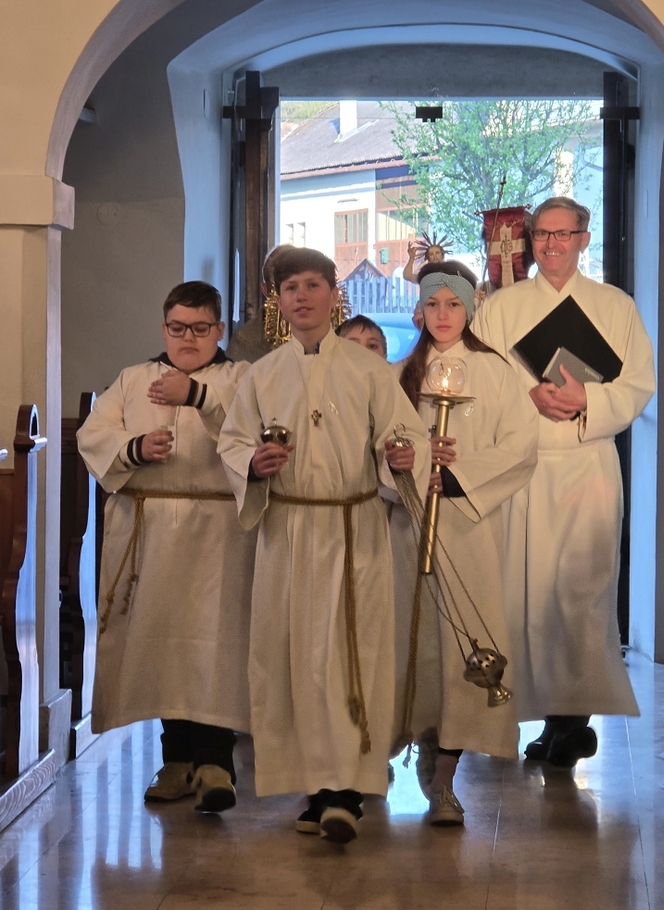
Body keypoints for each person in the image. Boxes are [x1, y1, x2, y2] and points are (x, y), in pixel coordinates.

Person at [217, 248, 431, 844]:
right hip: (288, 532)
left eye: (314, 285)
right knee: (295, 659)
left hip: (352, 529)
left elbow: (406, 435)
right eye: (291, 288)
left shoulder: (368, 371)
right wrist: (254, 463)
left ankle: (346, 789)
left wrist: (400, 458)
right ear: (277, 300)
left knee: (350, 655)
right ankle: (314, 786)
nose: (303, 297)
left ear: (335, 294)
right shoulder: (262, 374)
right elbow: (233, 442)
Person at [473, 196, 656, 767]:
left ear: (583, 239)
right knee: (525, 599)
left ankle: (572, 723)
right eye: (542, 235)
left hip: (585, 466)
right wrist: (526, 396)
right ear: (531, 241)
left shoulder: (615, 306)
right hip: (522, 467)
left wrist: (588, 399)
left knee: (580, 597)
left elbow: (639, 384)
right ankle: (537, 714)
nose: (551, 244)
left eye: (562, 234)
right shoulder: (502, 308)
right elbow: (478, 378)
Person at [77, 281, 254, 813]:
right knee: (161, 643)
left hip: (219, 532)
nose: (187, 339)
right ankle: (175, 760)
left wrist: (196, 397)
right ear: (164, 328)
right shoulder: (134, 379)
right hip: (150, 527)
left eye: (200, 328)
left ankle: (216, 763)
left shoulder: (240, 379)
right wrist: (135, 447)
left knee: (216, 645)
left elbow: (251, 433)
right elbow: (93, 434)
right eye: (177, 328)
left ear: (218, 330)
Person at [391, 260, 538, 825]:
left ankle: (446, 780)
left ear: (471, 307)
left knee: (463, 644)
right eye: (433, 304)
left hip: (469, 528)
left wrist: (457, 477)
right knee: (412, 642)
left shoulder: (496, 372)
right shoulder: (400, 374)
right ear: (420, 310)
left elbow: (520, 447)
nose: (443, 315)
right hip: (408, 525)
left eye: (453, 304)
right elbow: (380, 446)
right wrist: (405, 463)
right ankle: (408, 746)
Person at [226, 244, 296, 363]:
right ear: (266, 290)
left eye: (310, 285)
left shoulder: (326, 331)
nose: (299, 295)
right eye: (290, 287)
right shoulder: (244, 340)